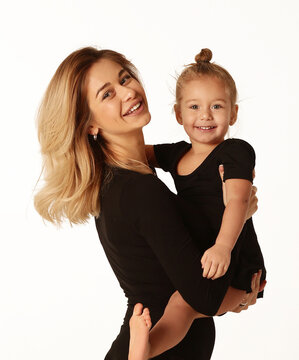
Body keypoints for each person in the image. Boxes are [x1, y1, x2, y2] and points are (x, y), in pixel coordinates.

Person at [34, 47, 265, 360]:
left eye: (125, 78)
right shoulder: (138, 190)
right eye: (107, 94)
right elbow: (205, 298)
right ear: (89, 124)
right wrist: (240, 292)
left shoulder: (119, 179)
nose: (128, 91)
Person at [129, 48, 266, 359]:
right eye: (194, 107)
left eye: (217, 106)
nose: (205, 115)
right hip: (202, 260)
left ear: (233, 114)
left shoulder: (234, 152)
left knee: (183, 305)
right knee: (180, 304)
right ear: (179, 114)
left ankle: (146, 350)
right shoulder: (177, 154)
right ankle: (145, 348)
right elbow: (139, 152)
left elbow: (238, 202)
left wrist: (222, 246)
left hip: (237, 263)